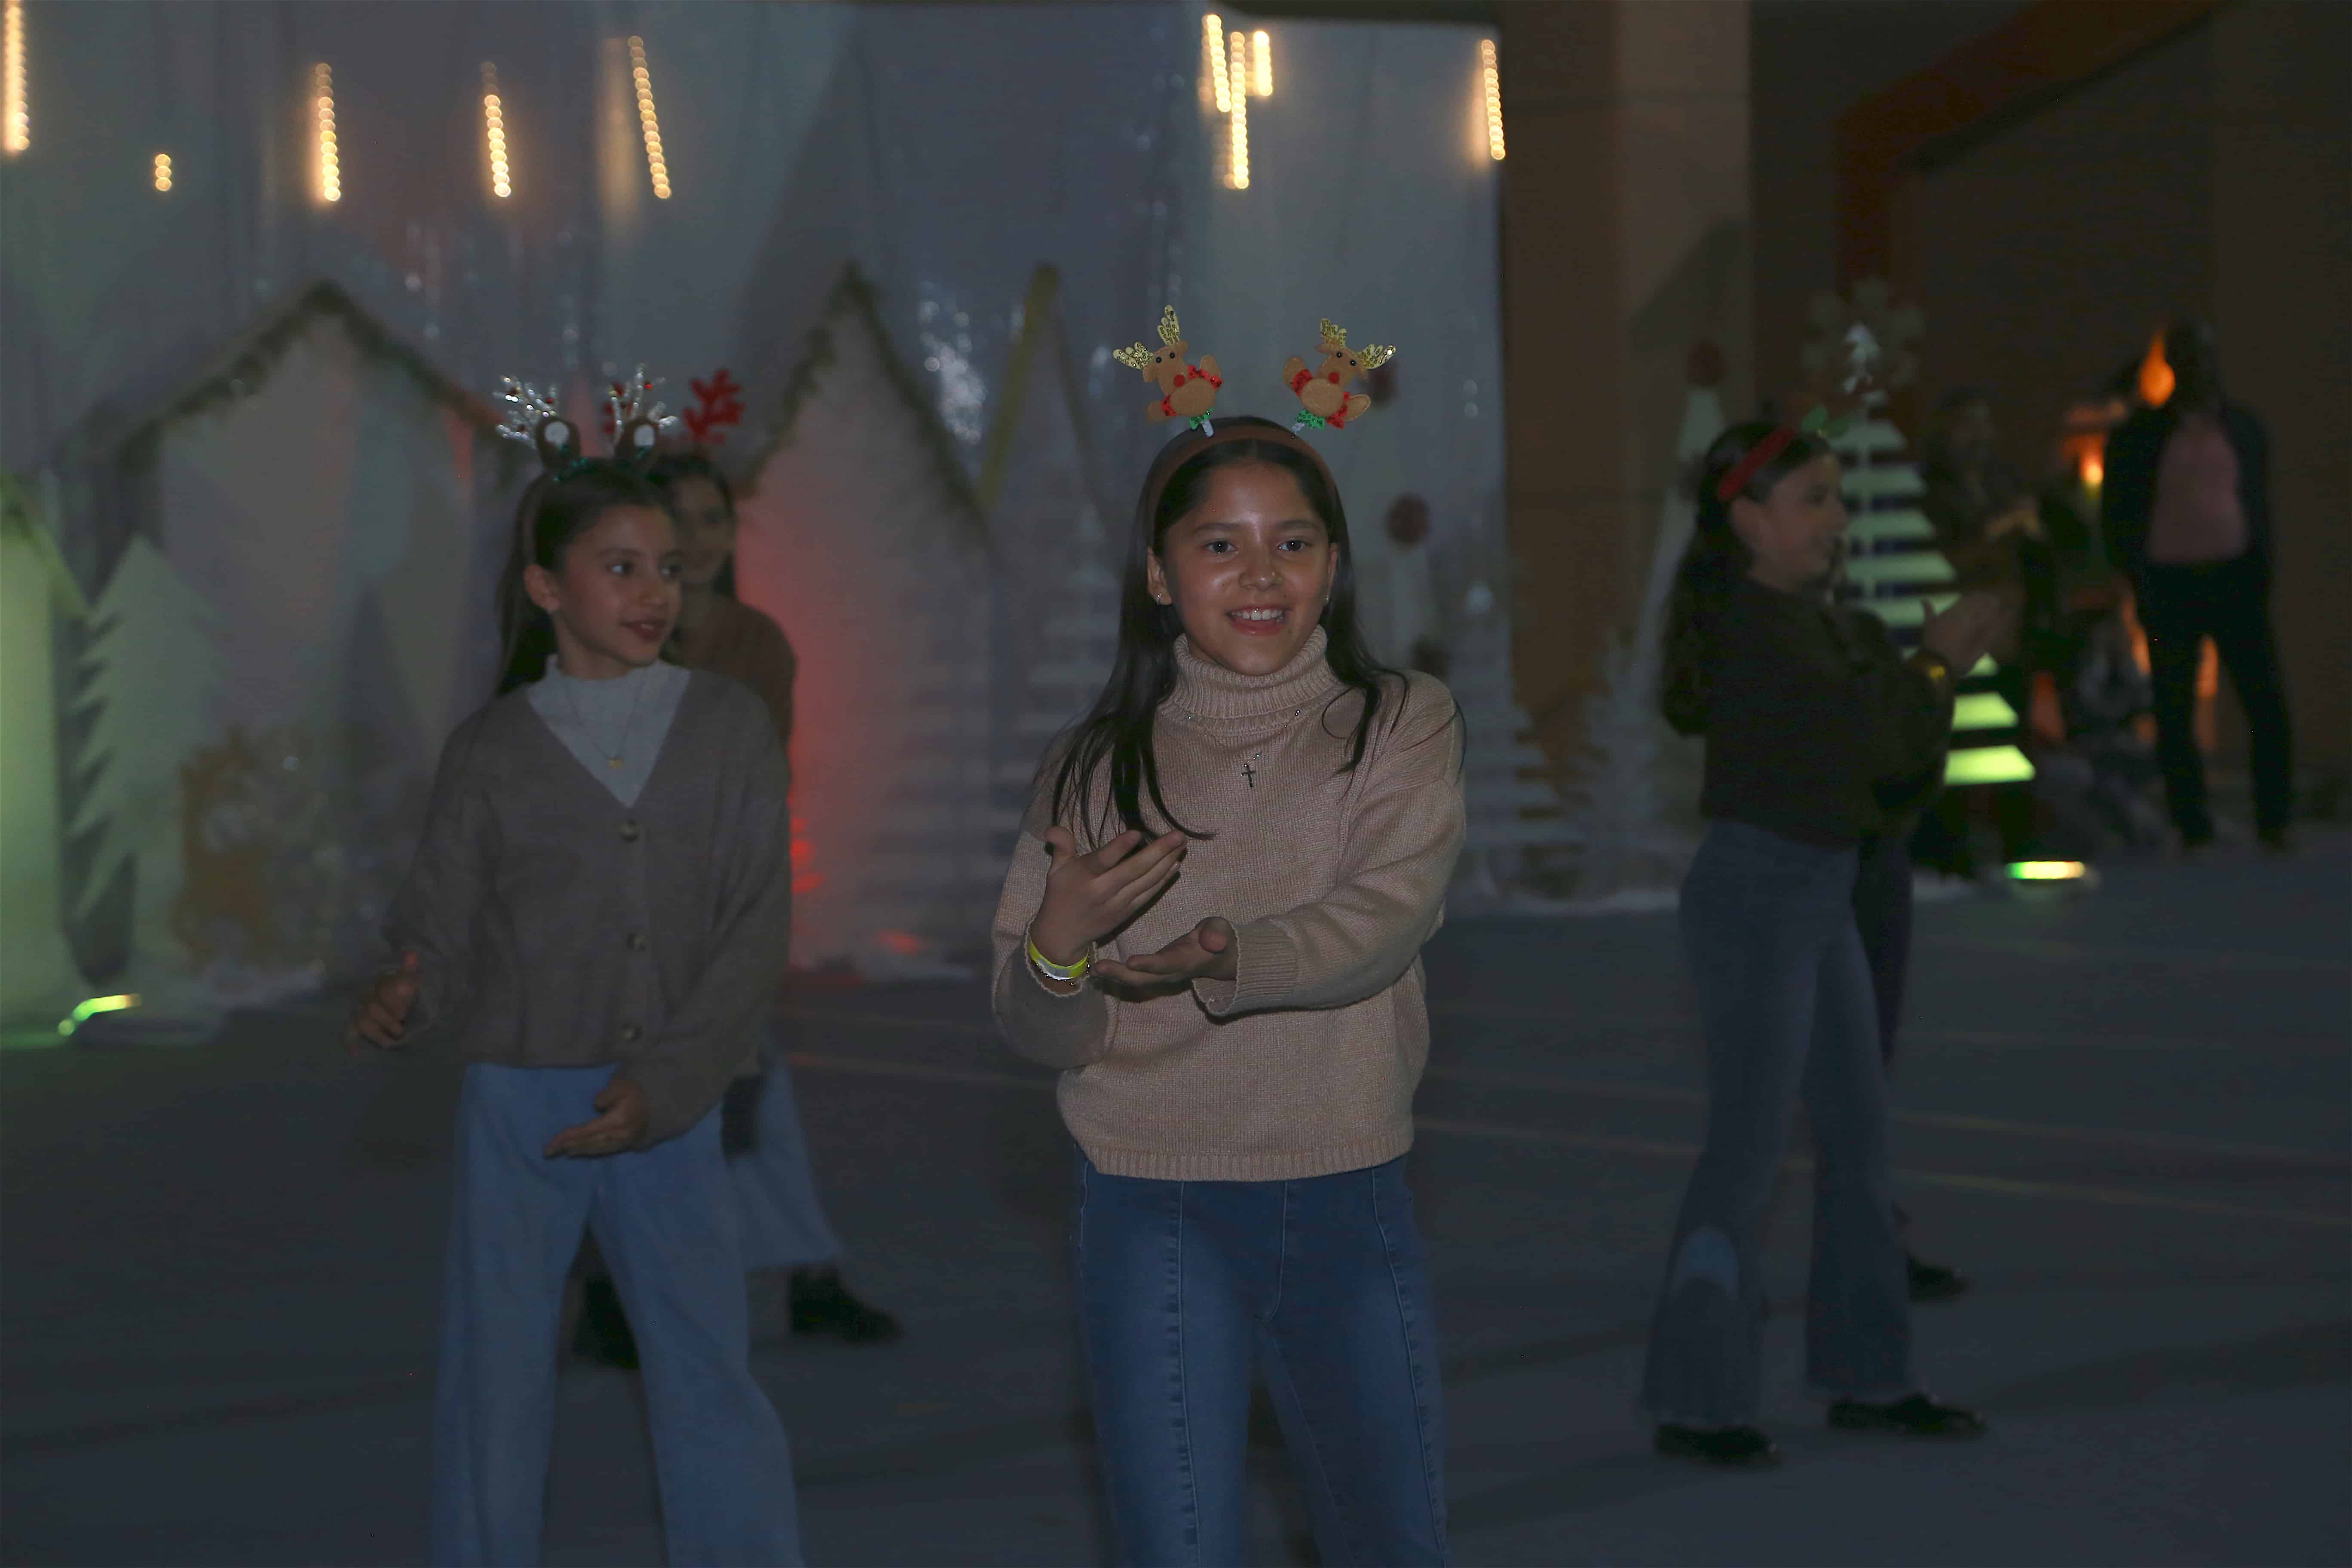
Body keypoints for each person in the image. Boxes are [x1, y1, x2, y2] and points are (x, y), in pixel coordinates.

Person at [992, 416, 1464, 1565]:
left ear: (1334, 568)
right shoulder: (1093, 768)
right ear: (1158, 574)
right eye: (1218, 545)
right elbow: (1039, 1025)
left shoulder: (1400, 721)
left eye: (1293, 543)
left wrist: (1223, 956)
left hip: (1347, 1192)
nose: (1261, 574)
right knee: (1179, 1544)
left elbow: (1384, 920)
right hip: (1153, 1207)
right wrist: (1058, 942)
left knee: (1391, 1541)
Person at [349, 424, 803, 1565]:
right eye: (622, 567)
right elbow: (441, 928)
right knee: (496, 1373)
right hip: (518, 1105)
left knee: (708, 1371)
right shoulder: (493, 750)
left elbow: (755, 932)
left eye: (670, 569)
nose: (656, 592)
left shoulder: (729, 729)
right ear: (547, 586)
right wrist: (409, 995)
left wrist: (666, 1086)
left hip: (674, 1105)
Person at [1642, 419, 2002, 1468]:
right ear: (1747, 521)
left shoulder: (1807, 620)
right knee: (1745, 1159)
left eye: (1834, 498)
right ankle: (1696, 1397)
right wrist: (1934, 668)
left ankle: (1865, 1373)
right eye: (1811, 500)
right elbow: (1874, 743)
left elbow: (1887, 775)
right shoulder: (1766, 631)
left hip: (1814, 888)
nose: (1834, 520)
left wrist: (1923, 677)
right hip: (1761, 898)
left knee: (1856, 1145)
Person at [568, 450, 901, 1370]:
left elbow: (759, 780)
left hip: (721, 900)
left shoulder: (754, 642)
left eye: (717, 521)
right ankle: (611, 1290)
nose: (702, 542)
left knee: (756, 1102)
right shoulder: (618, 630)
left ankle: (805, 1271)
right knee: (624, 1103)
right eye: (681, 522)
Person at [2100, 317, 2294, 852]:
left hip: (2235, 581)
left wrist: (2259, 567)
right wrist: (2135, 575)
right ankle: (2193, 825)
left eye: (2206, 357)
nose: (2200, 369)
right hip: (2171, 585)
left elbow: (2256, 498)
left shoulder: (2243, 428)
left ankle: (2274, 821)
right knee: (2174, 704)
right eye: (2188, 358)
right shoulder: (2141, 435)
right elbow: (2119, 511)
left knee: (2264, 700)